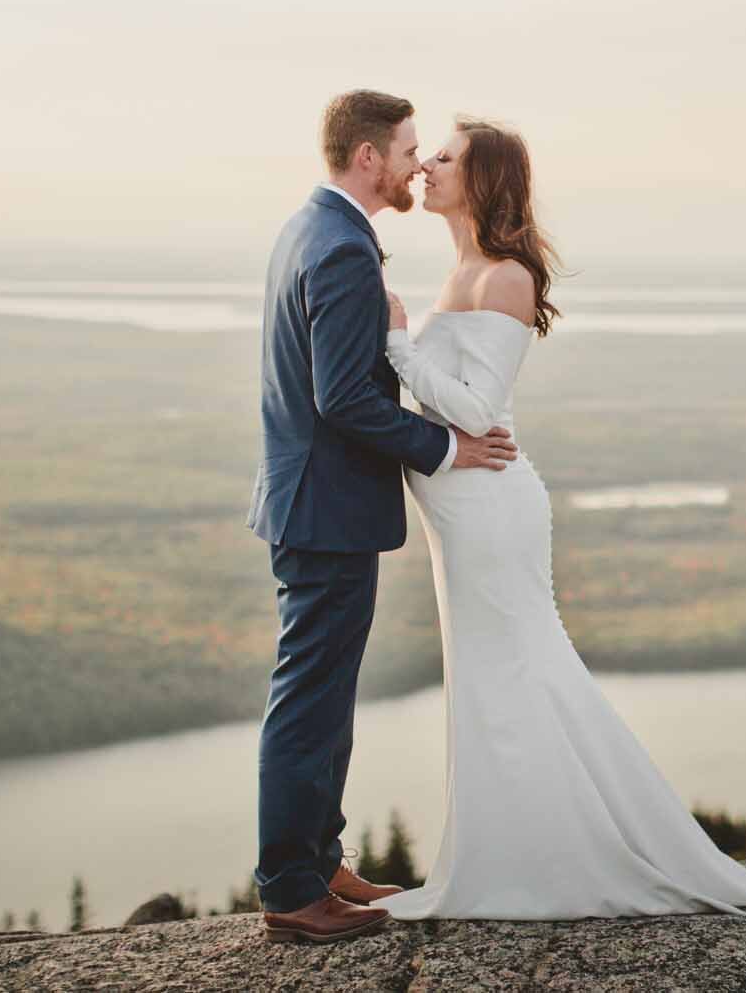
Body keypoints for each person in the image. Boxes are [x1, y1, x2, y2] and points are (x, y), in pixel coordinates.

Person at [372, 115, 746, 920]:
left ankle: (563, 860)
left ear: (485, 179)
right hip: (460, 514)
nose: (426, 164)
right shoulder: (463, 268)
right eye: (427, 152)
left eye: (446, 156)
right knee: (491, 678)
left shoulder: (502, 276)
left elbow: (477, 409)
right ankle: (508, 856)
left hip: (491, 511)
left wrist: (397, 345)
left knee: (521, 671)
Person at [247, 90, 519, 945]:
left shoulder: (314, 228)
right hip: (324, 511)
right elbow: (345, 399)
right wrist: (443, 449)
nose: (414, 163)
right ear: (368, 157)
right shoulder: (338, 249)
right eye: (406, 149)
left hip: (319, 506)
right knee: (309, 701)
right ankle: (292, 888)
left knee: (325, 695)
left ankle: (320, 857)